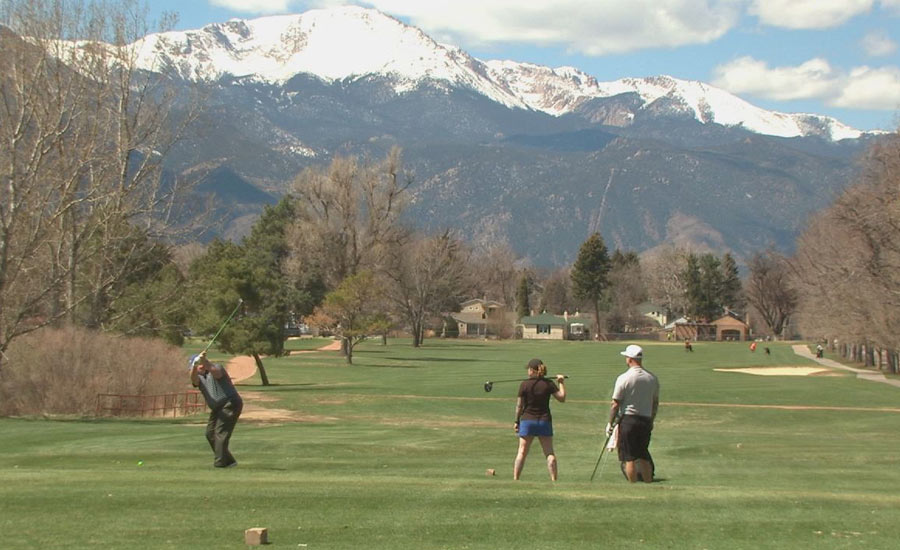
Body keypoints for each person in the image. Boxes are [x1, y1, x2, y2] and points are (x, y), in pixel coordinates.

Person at [607, 344, 659, 483]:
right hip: (646, 420)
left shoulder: (624, 378)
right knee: (643, 455)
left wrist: (610, 423)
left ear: (629, 359)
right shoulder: (652, 378)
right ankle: (648, 483)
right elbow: (655, 403)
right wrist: (651, 420)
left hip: (628, 420)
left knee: (628, 457)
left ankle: (633, 486)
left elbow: (615, 404)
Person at [513, 358, 566, 481]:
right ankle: (554, 479)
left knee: (521, 452)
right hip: (544, 420)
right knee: (549, 453)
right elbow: (562, 398)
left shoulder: (524, 384)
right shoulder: (548, 384)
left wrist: (517, 421)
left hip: (527, 420)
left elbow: (519, 406)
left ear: (532, 370)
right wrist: (561, 382)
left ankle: (516, 478)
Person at [189, 351, 243, 468]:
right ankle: (229, 461)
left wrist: (205, 361)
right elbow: (194, 380)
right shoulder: (197, 377)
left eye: (198, 364)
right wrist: (194, 366)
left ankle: (220, 464)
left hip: (230, 403)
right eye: (195, 365)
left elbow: (216, 373)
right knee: (209, 434)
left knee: (220, 433)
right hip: (217, 407)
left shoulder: (216, 368)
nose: (199, 367)